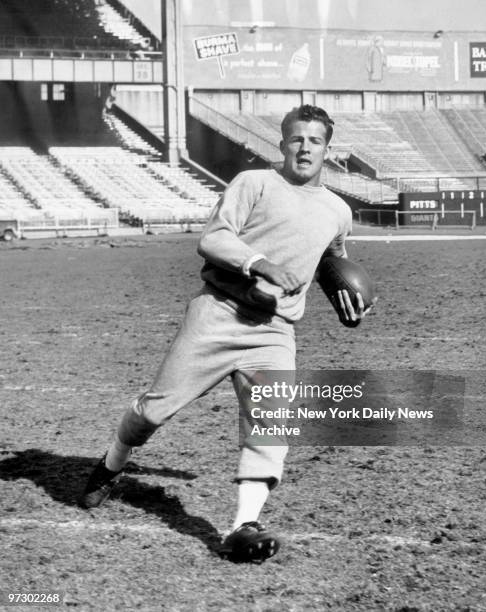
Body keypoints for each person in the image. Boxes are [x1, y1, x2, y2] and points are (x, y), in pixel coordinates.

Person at [80, 104, 369, 562]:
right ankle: (113, 461)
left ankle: (243, 525)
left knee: (273, 423)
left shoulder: (338, 210)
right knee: (153, 412)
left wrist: (347, 302)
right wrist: (261, 263)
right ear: (282, 143)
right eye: (296, 138)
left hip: (275, 332)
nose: (304, 147)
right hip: (218, 313)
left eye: (315, 141)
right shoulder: (253, 183)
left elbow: (332, 262)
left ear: (328, 151)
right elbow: (213, 238)